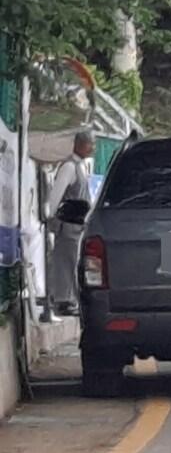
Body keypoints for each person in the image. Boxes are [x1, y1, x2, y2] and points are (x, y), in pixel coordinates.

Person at [46, 128, 94, 317]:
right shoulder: (69, 167)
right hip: (68, 225)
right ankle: (63, 300)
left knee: (73, 262)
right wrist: (51, 215)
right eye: (91, 144)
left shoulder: (81, 166)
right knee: (65, 262)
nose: (93, 148)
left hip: (78, 225)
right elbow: (57, 194)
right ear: (81, 145)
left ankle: (70, 298)